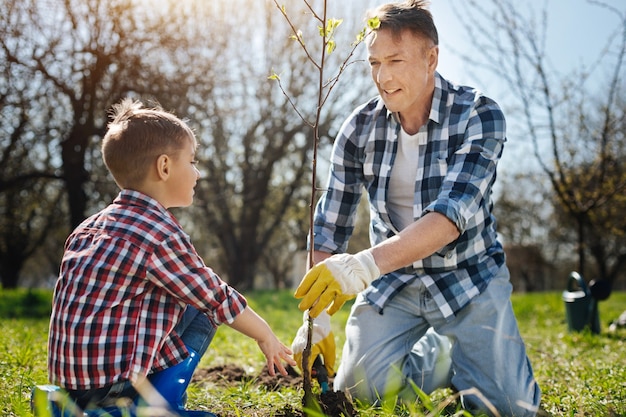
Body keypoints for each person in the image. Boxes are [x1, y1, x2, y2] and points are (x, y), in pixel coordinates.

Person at [291, 1, 541, 416]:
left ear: (431, 58)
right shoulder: (358, 129)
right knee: (359, 390)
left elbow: (448, 219)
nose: (382, 77)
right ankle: (444, 356)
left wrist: (363, 265)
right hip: (395, 283)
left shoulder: (479, 115)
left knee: (507, 408)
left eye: (395, 60)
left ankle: (473, 357)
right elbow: (330, 223)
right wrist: (316, 318)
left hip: (468, 277)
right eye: (374, 63)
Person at [47, 98, 296, 417]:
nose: (198, 173)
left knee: (184, 298)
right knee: (204, 309)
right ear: (164, 167)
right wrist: (267, 336)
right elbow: (216, 297)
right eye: (192, 161)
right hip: (111, 385)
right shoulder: (158, 232)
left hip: (72, 381)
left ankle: (77, 407)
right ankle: (156, 407)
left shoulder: (88, 227)